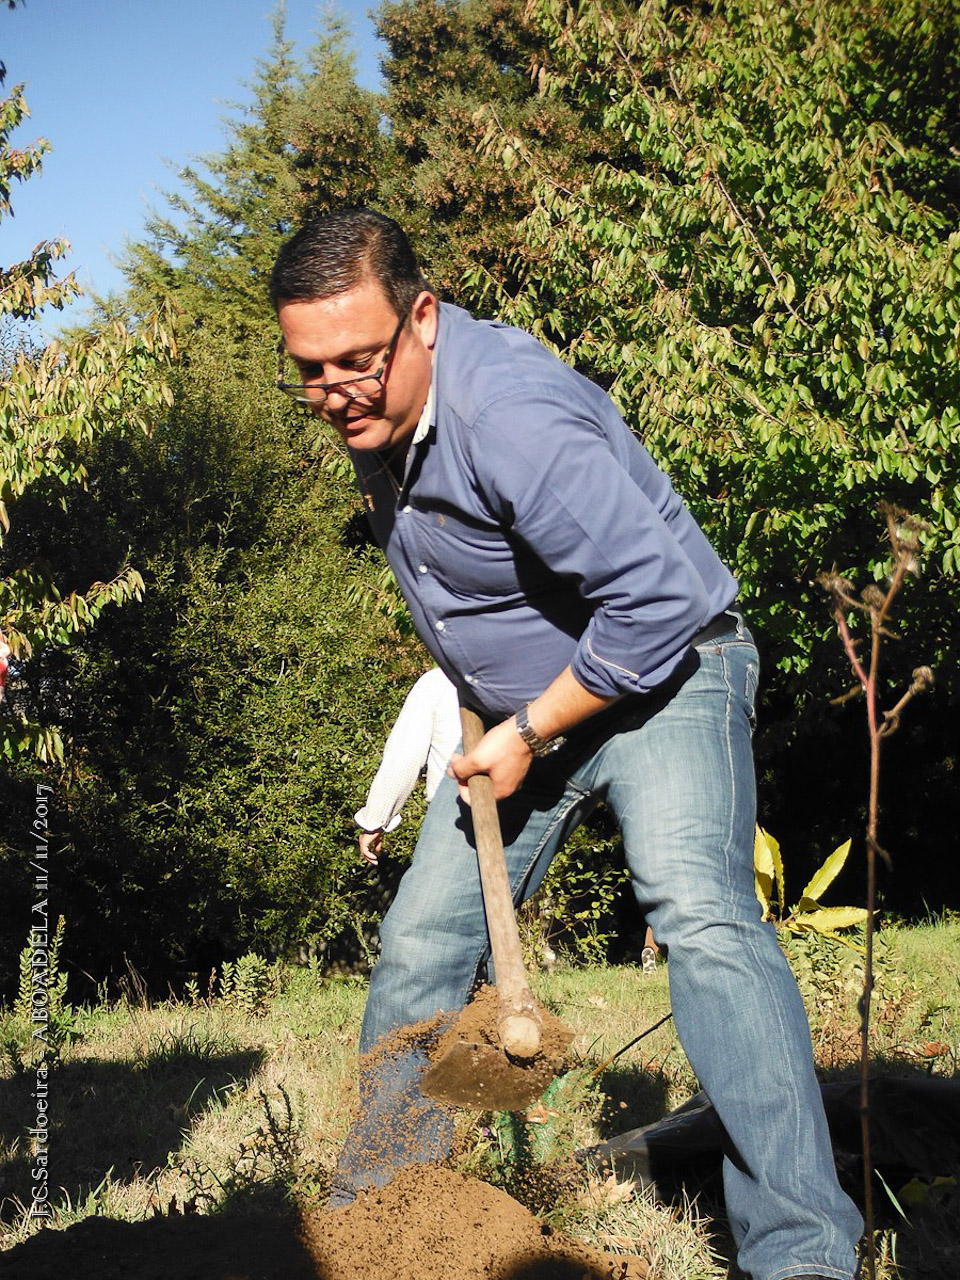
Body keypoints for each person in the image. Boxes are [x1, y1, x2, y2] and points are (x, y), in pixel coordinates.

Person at [270, 209, 862, 1280]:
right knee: (421, 940)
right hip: (521, 713)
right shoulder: (380, 414)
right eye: (309, 371)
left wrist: (531, 727)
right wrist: (489, 700)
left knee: (701, 914)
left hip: (670, 673)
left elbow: (660, 599)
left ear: (423, 318)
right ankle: (380, 1223)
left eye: (357, 360)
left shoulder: (510, 416)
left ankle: (804, 1253)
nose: (336, 391)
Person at [354, 666, 459, 866]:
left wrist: (375, 820)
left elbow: (404, 755)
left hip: (455, 815)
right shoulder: (521, 677)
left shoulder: (440, 681)